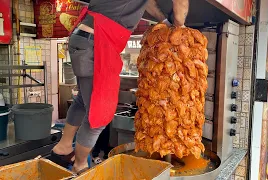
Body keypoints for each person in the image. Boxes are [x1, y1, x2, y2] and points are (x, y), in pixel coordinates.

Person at [50, 0, 189, 174]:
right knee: (98, 115)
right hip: (96, 41)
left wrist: (163, 20)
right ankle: (79, 166)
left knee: (82, 101)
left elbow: (147, 3)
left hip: (84, 38)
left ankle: (63, 147)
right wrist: (179, 26)